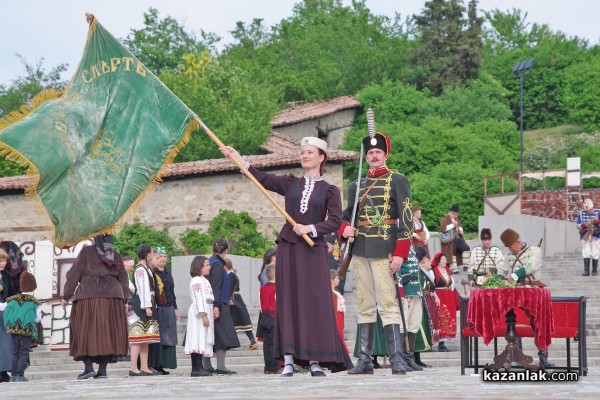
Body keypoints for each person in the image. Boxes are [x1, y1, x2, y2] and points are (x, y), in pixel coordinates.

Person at [220, 137, 352, 376]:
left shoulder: (330, 191)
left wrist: (310, 228)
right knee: (289, 300)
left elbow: (334, 221)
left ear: (321, 157)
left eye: (309, 152)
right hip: (290, 247)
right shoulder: (291, 183)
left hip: (313, 251)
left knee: (314, 302)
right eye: (302, 152)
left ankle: (314, 360)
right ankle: (288, 360)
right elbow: (262, 178)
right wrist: (238, 157)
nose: (304, 156)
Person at [340, 129, 413, 375]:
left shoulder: (398, 180)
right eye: (370, 152)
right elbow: (345, 215)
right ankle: (364, 360)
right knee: (365, 305)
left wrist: (401, 252)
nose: (373, 156)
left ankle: (396, 359)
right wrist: (344, 229)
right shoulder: (356, 185)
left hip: (385, 249)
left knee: (387, 304)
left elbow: (406, 218)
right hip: (360, 249)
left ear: (385, 154)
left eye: (377, 152)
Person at [60, 235, 129, 379]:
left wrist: (66, 295)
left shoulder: (87, 251)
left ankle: (88, 367)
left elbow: (74, 274)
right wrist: (125, 299)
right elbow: (123, 278)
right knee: (108, 332)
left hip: (88, 297)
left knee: (83, 330)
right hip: (113, 298)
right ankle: (102, 371)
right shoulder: (115, 254)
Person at [498, 228, 555, 368]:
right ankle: (518, 357)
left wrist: (514, 275)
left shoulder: (534, 250)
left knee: (539, 323)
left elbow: (532, 265)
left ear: (518, 242)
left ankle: (543, 356)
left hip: (533, 291)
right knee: (512, 322)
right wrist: (498, 280)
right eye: (508, 247)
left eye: (511, 246)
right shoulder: (509, 255)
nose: (510, 249)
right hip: (516, 292)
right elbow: (501, 270)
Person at [204, 238, 240, 375]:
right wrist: (217, 306)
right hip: (217, 304)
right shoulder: (218, 265)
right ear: (225, 251)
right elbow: (216, 287)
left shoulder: (211, 261)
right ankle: (220, 366)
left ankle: (208, 365)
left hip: (214, 303)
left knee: (213, 335)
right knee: (222, 336)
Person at [128, 244, 161, 377]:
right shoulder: (140, 269)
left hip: (148, 304)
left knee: (145, 338)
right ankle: (133, 367)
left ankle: (144, 366)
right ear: (147, 254)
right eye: (152, 253)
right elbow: (143, 289)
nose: (153, 256)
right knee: (138, 337)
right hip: (141, 306)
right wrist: (147, 306)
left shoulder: (146, 269)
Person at [4, 271, 41, 382]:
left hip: (13, 329)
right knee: (23, 352)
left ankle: (13, 375)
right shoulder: (35, 302)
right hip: (27, 330)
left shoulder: (12, 299)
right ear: (33, 286)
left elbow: (3, 308)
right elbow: (37, 319)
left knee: (16, 351)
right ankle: (19, 375)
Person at [184, 256, 215, 377]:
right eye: (207, 265)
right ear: (199, 266)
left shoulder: (204, 280)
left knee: (202, 337)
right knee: (197, 337)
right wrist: (203, 315)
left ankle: (199, 366)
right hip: (199, 313)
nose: (209, 267)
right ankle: (196, 367)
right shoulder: (196, 280)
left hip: (206, 309)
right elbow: (198, 298)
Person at [397, 248, 425, 371]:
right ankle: (401, 359)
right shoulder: (398, 248)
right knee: (403, 326)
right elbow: (396, 271)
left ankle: (409, 358)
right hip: (406, 291)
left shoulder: (412, 249)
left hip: (416, 291)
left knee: (414, 325)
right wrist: (400, 291)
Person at [152, 247, 179, 374]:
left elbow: (172, 293)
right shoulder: (153, 273)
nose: (163, 259)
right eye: (160, 257)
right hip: (159, 308)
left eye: (165, 257)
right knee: (161, 335)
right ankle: (158, 364)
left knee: (170, 335)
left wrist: (175, 308)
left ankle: (167, 362)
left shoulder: (168, 274)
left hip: (169, 308)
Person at [224, 258, 258, 350]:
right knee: (239, 321)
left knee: (240, 321)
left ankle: (252, 342)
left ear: (225, 266)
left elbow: (230, 289)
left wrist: (228, 299)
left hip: (234, 299)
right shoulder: (231, 274)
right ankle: (252, 342)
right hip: (236, 299)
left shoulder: (230, 275)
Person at [414, 247, 439, 368]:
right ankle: (412, 359)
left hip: (421, 301)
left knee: (420, 329)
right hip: (416, 301)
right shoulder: (417, 270)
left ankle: (417, 359)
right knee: (415, 329)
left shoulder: (420, 270)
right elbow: (425, 285)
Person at [431, 252, 457, 352]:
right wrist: (435, 296)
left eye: (445, 260)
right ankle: (440, 343)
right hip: (439, 295)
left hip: (448, 295)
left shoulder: (447, 270)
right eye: (443, 260)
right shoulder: (434, 271)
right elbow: (433, 285)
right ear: (438, 261)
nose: (445, 261)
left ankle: (444, 341)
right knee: (441, 317)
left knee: (449, 316)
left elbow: (451, 284)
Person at [259, 265, 280, 374]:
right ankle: (274, 366)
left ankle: (267, 366)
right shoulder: (277, 288)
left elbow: (261, 302)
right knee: (274, 343)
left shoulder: (263, 288)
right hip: (273, 317)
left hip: (264, 317)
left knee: (266, 343)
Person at [0, 248, 16, 382]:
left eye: (4, 260)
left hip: (4, 312)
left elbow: (12, 293)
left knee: (6, 341)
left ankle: (4, 371)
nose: (2, 263)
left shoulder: (6, 275)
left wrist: (9, 304)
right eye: (0, 260)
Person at [439, 205, 469, 274]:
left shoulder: (456, 219)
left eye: (457, 214)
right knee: (453, 250)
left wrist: (461, 230)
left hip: (456, 238)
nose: (456, 215)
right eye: (455, 214)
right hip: (448, 241)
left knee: (466, 247)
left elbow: (459, 226)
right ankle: (453, 268)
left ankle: (466, 264)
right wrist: (453, 225)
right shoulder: (445, 218)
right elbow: (443, 229)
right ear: (451, 212)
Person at [577, 198, 600, 276]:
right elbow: (578, 225)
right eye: (588, 210)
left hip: (596, 235)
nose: (589, 211)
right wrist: (585, 224)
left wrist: (597, 221)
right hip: (585, 235)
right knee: (586, 252)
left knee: (595, 252)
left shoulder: (598, 212)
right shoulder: (581, 213)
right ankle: (586, 271)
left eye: (590, 209)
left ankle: (594, 270)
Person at [330, 270, 349, 354]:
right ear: (331, 279)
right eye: (337, 278)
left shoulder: (336, 292)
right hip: (335, 316)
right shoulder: (331, 293)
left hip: (339, 316)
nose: (339, 280)